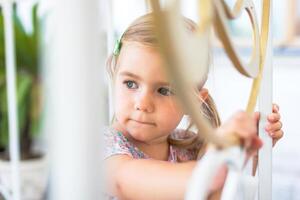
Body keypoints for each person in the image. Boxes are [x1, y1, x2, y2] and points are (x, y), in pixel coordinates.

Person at [104, 13, 283, 200]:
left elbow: (230, 190)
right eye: (130, 84)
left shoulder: (191, 148)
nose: (142, 103)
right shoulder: (102, 144)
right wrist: (209, 169)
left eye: (164, 90)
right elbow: (123, 181)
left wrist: (251, 152)